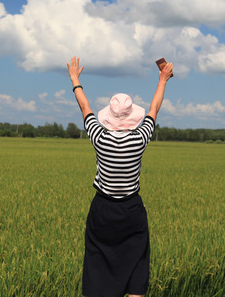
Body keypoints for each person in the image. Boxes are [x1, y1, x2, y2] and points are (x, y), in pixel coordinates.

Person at [67, 56, 173, 297]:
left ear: (109, 118)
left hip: (103, 210)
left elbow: (85, 108)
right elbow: (155, 109)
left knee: (97, 261)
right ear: (133, 117)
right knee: (137, 259)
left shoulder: (99, 138)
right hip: (131, 210)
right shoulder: (140, 139)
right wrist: (163, 79)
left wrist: (75, 79)